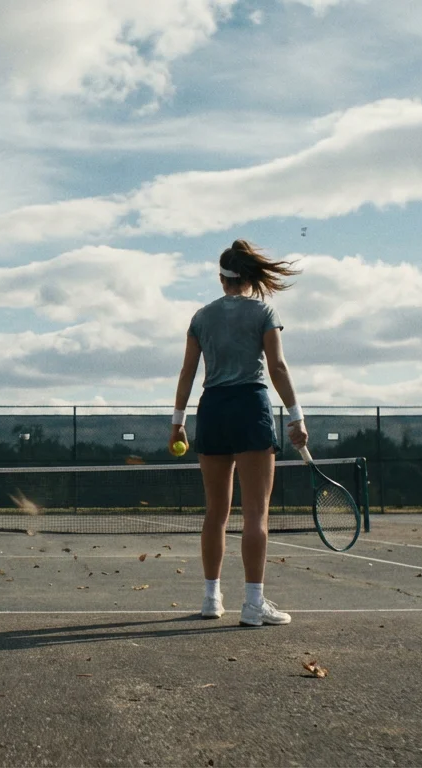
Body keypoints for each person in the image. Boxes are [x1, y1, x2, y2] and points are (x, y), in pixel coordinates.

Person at [169, 239, 308, 627]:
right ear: (249, 278)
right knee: (255, 515)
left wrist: (177, 421)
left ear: (222, 278)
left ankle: (212, 598)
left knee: (215, 512)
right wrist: (296, 416)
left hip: (211, 410)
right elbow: (277, 367)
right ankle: (253, 603)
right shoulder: (263, 311)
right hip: (250, 408)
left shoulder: (200, 317)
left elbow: (187, 373)